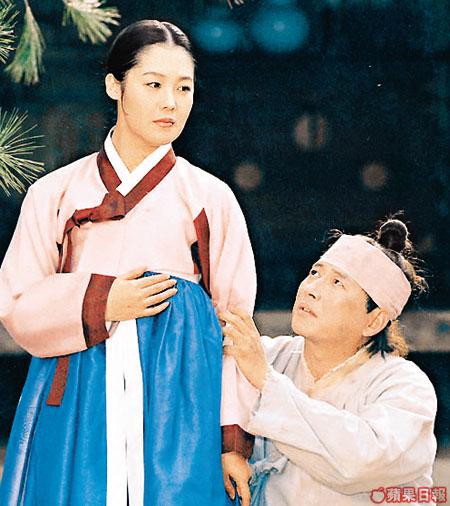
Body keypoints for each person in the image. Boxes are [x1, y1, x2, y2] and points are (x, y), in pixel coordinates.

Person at [0, 20, 257, 506]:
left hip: (179, 406)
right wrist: (103, 301)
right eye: (153, 85)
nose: (171, 103)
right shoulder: (54, 193)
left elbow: (236, 330)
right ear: (114, 86)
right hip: (77, 393)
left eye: (184, 88)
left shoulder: (210, 198)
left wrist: (232, 442)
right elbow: (15, 302)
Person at [220, 219, 437, 505]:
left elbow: (360, 462)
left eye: (337, 283)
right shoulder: (271, 356)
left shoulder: (405, 386)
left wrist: (266, 382)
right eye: (315, 273)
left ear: (374, 320)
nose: (311, 289)